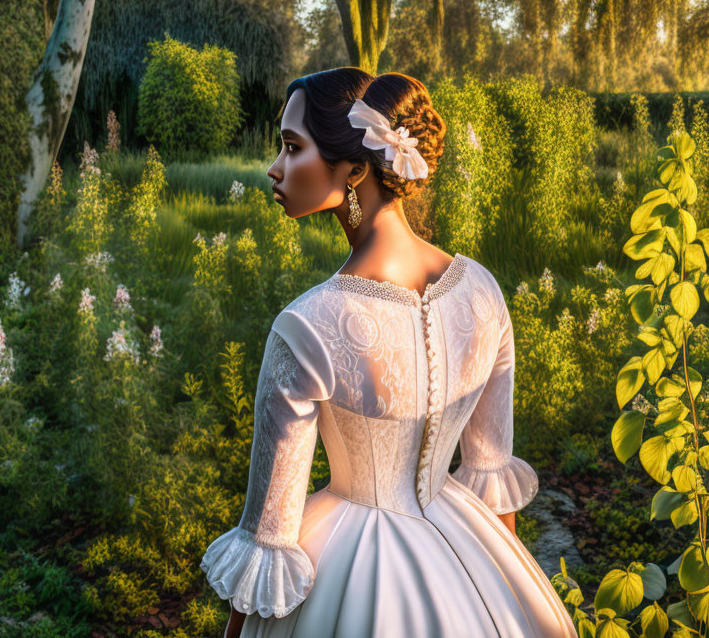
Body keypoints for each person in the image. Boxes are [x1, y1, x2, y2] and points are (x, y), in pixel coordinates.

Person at [200, 67, 578, 638]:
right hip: (467, 545)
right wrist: (506, 594)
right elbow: (490, 475)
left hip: (352, 565)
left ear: (355, 169)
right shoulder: (481, 290)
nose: (275, 169)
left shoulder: (307, 325)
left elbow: (271, 534)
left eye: (291, 146)